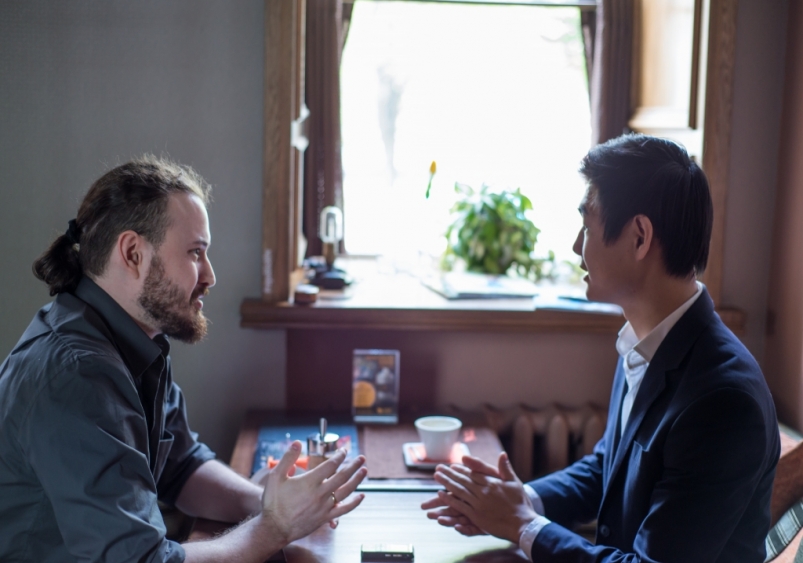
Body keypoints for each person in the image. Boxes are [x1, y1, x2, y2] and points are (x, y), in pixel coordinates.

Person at [422, 134, 780, 562]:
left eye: (588, 225)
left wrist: (522, 526)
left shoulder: (722, 402)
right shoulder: (646, 342)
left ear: (639, 237)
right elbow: (609, 466)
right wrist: (519, 500)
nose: (577, 245)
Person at [0, 156, 367, 562]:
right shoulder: (77, 375)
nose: (210, 276)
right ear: (133, 253)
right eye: (195, 253)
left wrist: (267, 500)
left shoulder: (136, 338)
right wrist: (275, 526)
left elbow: (181, 466)